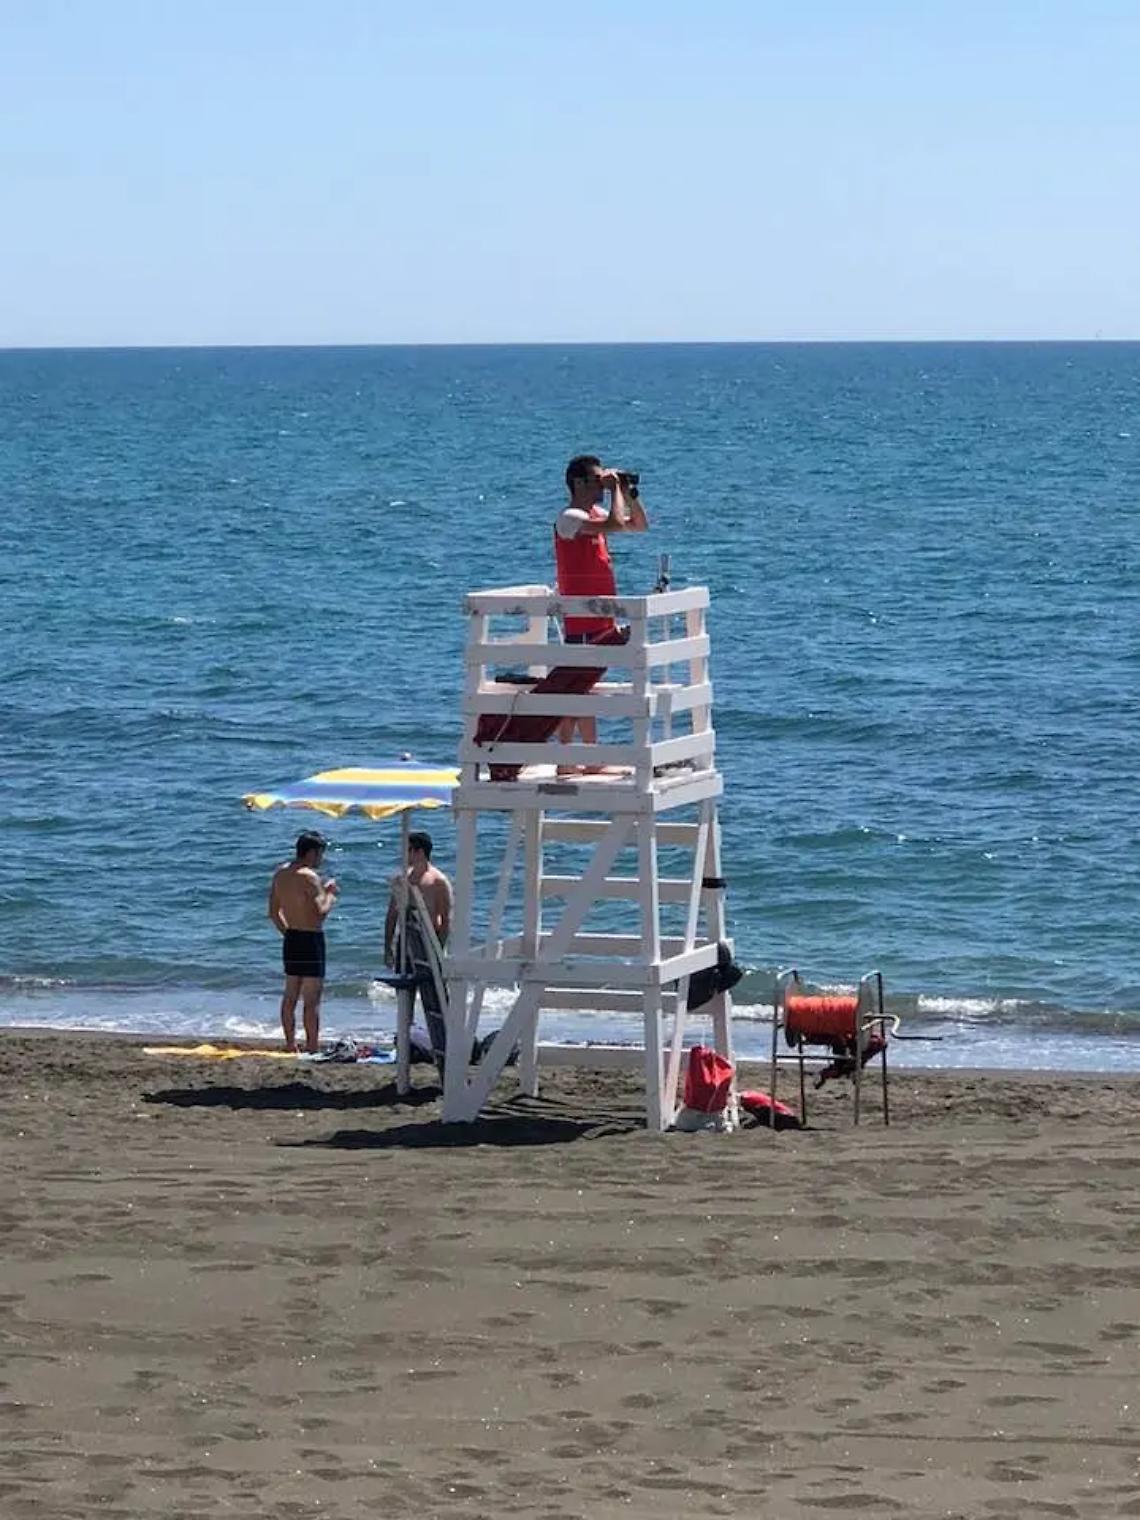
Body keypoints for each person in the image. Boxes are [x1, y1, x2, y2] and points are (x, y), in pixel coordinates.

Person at [554, 454, 649, 762]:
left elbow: (638, 525)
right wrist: (614, 491)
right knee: (575, 691)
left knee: (582, 689)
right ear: (578, 483)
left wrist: (627, 492)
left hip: (599, 618)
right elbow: (613, 523)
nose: (600, 485)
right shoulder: (570, 517)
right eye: (596, 480)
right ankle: (573, 759)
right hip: (581, 620)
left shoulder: (592, 514)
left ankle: (579, 759)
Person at [384, 831, 454, 1066]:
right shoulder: (402, 880)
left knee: (435, 1001)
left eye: (407, 849)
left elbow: (445, 920)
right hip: (406, 943)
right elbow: (392, 915)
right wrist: (388, 947)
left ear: (419, 851)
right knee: (405, 998)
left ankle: (443, 1049)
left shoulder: (437, 881)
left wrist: (439, 951)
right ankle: (405, 1047)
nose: (403, 855)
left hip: (429, 945)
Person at [267, 830, 339, 1053]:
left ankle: (290, 1044)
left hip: (292, 937)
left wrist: (286, 933)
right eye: (319, 854)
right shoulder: (310, 877)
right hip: (311, 938)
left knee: (290, 994)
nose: (321, 859)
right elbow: (320, 913)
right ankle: (312, 1045)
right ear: (311, 853)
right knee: (311, 998)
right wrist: (330, 894)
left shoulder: (280, 873)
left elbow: (273, 912)